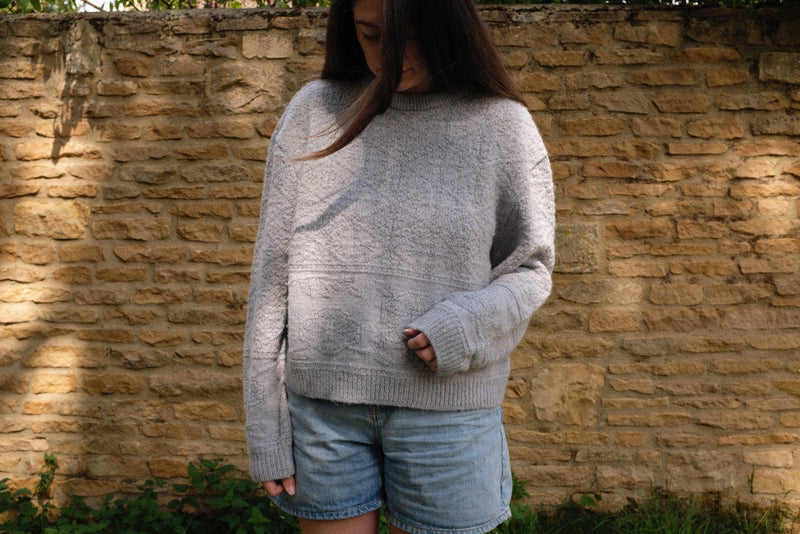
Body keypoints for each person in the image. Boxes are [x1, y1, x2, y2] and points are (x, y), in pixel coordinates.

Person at [243, 0, 555, 532]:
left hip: (447, 413)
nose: (393, 58)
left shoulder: (502, 126)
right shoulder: (315, 111)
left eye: (414, 37)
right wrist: (266, 426)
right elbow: (272, 277)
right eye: (371, 36)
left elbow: (531, 270)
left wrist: (463, 325)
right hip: (322, 413)